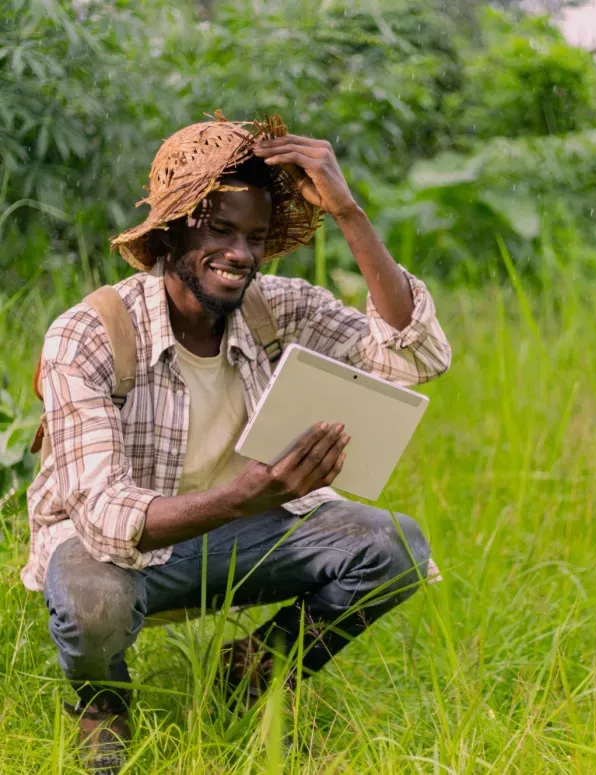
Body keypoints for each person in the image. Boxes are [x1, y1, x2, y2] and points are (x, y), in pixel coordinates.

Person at [22, 114, 451, 773]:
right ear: (171, 233)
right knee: (91, 599)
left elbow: (412, 355)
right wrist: (247, 493)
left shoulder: (275, 308)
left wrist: (349, 210)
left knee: (395, 546)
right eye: (220, 230)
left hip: (239, 532)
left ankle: (249, 672)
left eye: (254, 236)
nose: (241, 253)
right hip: (123, 550)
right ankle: (101, 702)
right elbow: (106, 518)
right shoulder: (92, 332)